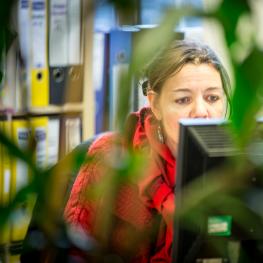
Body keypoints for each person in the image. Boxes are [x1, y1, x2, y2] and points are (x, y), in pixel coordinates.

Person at [64, 39, 232, 262]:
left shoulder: (235, 168)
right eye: (183, 99)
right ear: (155, 104)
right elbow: (67, 254)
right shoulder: (108, 159)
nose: (201, 112)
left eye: (212, 98)